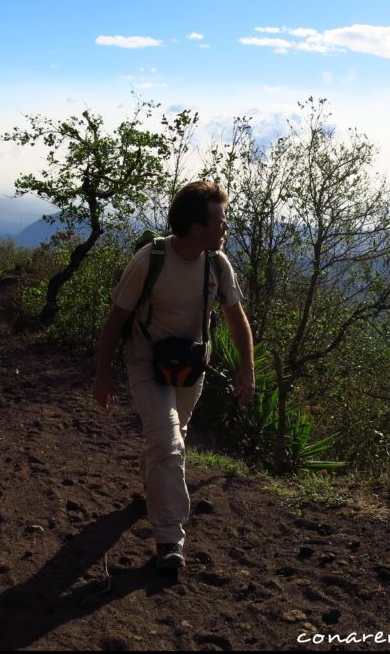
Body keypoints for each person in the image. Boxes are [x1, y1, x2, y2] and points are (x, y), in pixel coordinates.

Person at [93, 181, 255, 571]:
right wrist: (103, 374)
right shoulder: (151, 260)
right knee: (168, 441)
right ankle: (169, 538)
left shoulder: (217, 263)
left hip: (191, 364)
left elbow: (237, 320)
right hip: (146, 359)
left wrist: (247, 370)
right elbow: (116, 319)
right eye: (219, 220)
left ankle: (153, 488)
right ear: (197, 226)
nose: (226, 226)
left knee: (173, 435)